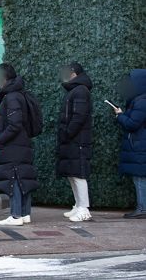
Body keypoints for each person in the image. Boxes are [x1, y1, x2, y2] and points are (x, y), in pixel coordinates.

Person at [0, 63, 39, 226]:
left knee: (15, 178)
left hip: (13, 146)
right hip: (21, 144)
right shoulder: (19, 94)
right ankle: (24, 214)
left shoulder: (11, 96)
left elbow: (15, 124)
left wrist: (1, 138)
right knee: (22, 178)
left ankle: (16, 215)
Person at [56, 62, 93, 222]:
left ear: (73, 73)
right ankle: (78, 205)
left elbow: (79, 116)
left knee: (78, 174)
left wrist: (68, 132)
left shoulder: (80, 91)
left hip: (77, 139)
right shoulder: (75, 90)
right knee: (72, 174)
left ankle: (84, 209)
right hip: (72, 139)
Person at [113, 69, 146, 219]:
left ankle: (142, 208)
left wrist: (120, 116)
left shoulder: (141, 101)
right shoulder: (138, 100)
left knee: (139, 177)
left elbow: (133, 123)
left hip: (139, 145)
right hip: (139, 144)